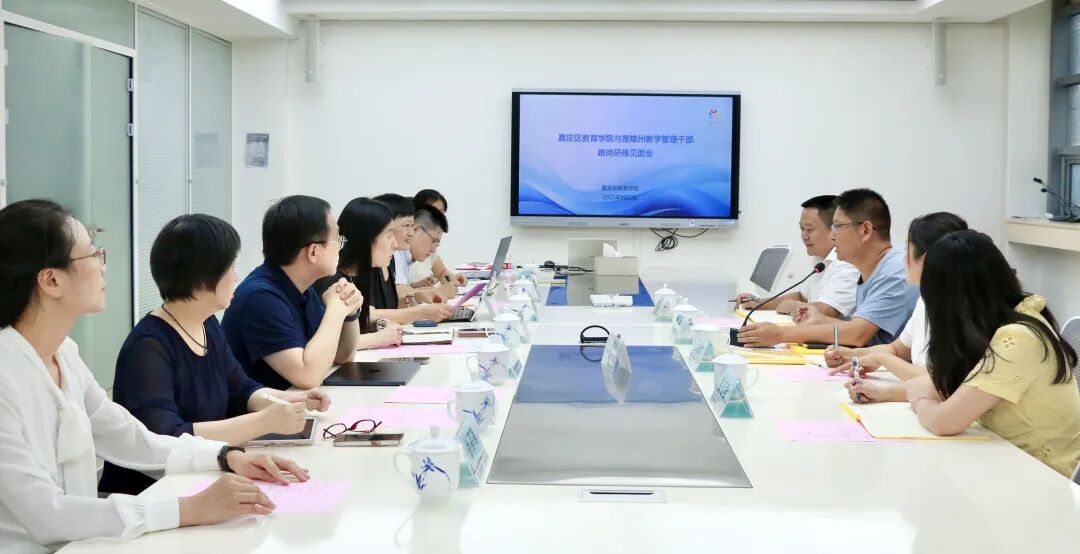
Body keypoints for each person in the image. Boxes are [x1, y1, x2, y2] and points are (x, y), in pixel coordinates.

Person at [0, 200, 309, 553]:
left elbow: (130, 438)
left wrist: (226, 456)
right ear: (51, 280)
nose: (103, 266)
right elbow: (46, 514)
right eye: (93, 254)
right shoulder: (7, 373)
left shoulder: (64, 354)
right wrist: (188, 509)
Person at [100, 215, 334, 496]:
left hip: (203, 475)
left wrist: (291, 400)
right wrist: (264, 421)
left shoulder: (207, 323)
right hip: (153, 493)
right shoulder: (148, 347)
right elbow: (168, 438)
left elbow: (241, 388)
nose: (235, 276)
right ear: (202, 277)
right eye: (230, 267)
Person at [846, 231, 1080, 477]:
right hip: (1005, 458)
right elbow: (955, 387)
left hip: (1045, 475)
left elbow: (944, 422)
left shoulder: (1017, 338)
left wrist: (920, 401)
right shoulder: (999, 321)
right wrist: (884, 394)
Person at [737, 188, 919, 348]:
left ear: (865, 230)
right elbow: (864, 330)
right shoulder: (871, 270)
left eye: (837, 227)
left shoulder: (897, 270)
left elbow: (858, 334)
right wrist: (820, 319)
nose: (833, 236)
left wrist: (781, 334)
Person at [222, 195, 362, 391]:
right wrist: (335, 310)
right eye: (337, 240)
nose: (341, 247)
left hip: (294, 403)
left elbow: (341, 356)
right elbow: (307, 376)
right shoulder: (260, 298)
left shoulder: (301, 288)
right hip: (259, 409)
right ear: (313, 251)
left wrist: (349, 311)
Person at [825, 212, 968, 380]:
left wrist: (883, 361)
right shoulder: (925, 302)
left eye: (908, 251)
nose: (903, 258)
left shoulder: (963, 310)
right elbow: (896, 349)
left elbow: (940, 381)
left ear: (926, 259)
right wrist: (850, 355)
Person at [735, 195, 859, 318]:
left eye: (809, 229)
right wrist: (758, 303)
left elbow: (827, 310)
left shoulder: (847, 265)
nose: (804, 236)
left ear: (834, 229)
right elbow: (802, 297)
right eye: (802, 229)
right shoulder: (820, 260)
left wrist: (793, 306)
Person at [313, 198, 411, 345]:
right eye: (389, 235)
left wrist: (379, 323)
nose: (395, 244)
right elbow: (330, 345)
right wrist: (381, 338)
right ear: (365, 239)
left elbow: (361, 318)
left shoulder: (357, 275)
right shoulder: (333, 282)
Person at [372, 193, 456, 306]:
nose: (411, 233)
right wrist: (434, 293)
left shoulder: (398, 255)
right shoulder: (391, 256)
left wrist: (417, 291)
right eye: (407, 226)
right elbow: (393, 298)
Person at [409, 189, 467, 288]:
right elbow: (396, 290)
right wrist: (415, 287)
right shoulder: (402, 247)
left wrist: (454, 279)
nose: (439, 217)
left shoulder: (430, 245)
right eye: (434, 212)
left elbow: (442, 273)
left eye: (441, 213)